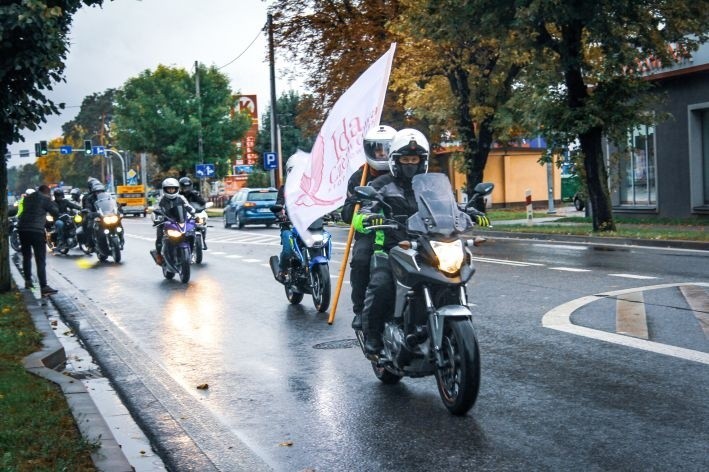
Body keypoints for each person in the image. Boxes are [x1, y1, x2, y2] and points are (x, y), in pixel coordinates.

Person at [352, 128, 490, 354]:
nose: (410, 164)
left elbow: (451, 207)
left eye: (414, 159)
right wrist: (368, 217)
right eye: (405, 159)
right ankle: (373, 335)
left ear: (422, 161)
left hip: (426, 247)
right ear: (395, 161)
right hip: (391, 249)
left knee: (451, 277)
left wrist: (469, 212)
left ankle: (447, 332)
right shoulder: (381, 185)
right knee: (381, 285)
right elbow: (362, 212)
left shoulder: (431, 185)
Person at [341, 125, 396, 330]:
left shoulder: (402, 170)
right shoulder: (359, 177)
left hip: (401, 230)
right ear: (369, 151)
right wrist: (360, 213)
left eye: (386, 149)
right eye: (377, 149)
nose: (382, 153)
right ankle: (360, 310)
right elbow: (347, 213)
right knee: (361, 259)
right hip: (371, 233)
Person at [16, 185, 60, 295]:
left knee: (26, 256)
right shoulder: (45, 199)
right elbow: (55, 212)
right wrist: (52, 201)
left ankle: (28, 281)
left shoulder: (27, 198)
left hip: (22, 229)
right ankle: (43, 286)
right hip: (36, 230)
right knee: (40, 259)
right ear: (47, 192)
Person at [274, 154, 306, 282]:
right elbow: (279, 204)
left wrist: (329, 211)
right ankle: (283, 271)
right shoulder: (284, 189)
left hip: (308, 225)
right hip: (290, 225)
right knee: (288, 249)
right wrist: (280, 214)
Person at [151, 177, 195, 265]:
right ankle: (159, 255)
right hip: (166, 221)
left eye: (173, 189)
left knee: (190, 233)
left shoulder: (181, 198)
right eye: (169, 189)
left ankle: (191, 252)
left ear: (177, 189)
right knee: (160, 237)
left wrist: (194, 214)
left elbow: (188, 207)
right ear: (164, 189)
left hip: (179, 220)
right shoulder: (160, 199)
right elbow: (155, 210)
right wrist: (156, 219)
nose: (171, 191)